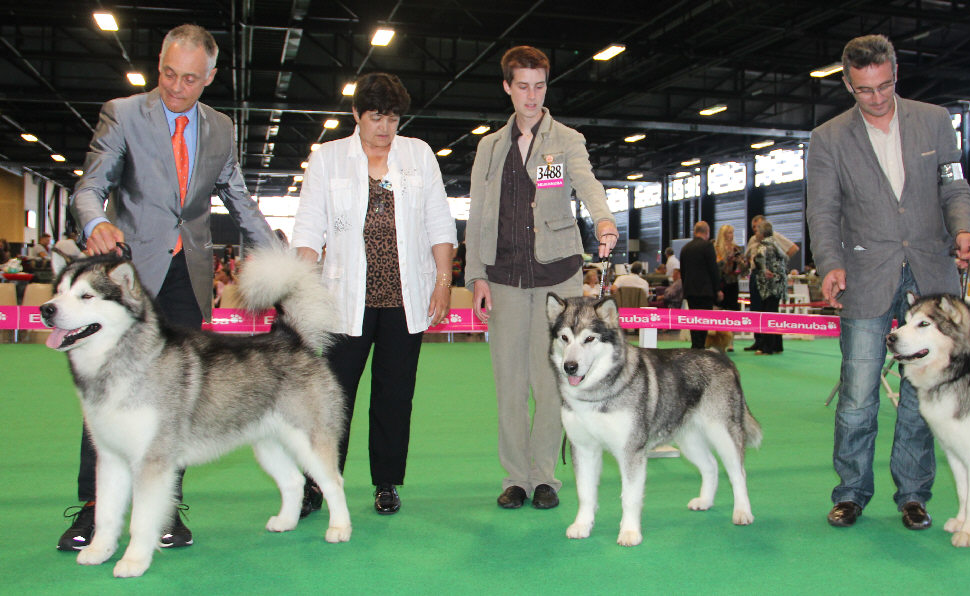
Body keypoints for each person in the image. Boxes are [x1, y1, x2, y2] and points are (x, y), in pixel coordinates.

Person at [66, 24, 276, 551]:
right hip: (128, 275)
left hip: (189, 277)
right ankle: (92, 510)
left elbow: (236, 195)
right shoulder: (124, 112)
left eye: (188, 79)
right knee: (107, 393)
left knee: (179, 398)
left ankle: (165, 509)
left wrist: (273, 249)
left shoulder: (221, 128)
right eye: (167, 73)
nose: (175, 87)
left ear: (209, 77)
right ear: (157, 63)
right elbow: (91, 185)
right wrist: (95, 226)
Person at [806, 34, 970, 531]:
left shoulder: (935, 120)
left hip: (931, 272)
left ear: (895, 73)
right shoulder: (828, 138)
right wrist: (830, 263)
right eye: (864, 90)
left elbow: (954, 183)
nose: (877, 98)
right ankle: (852, 493)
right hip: (864, 275)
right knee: (859, 395)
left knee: (922, 396)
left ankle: (913, 495)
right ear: (847, 83)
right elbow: (823, 210)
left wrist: (963, 227)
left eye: (884, 86)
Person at [292, 72, 456, 516]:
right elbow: (309, 227)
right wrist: (298, 286)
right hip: (343, 302)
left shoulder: (419, 155)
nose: (385, 127)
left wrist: (443, 282)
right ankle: (317, 483)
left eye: (393, 118)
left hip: (406, 298)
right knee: (332, 396)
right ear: (356, 115)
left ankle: (386, 482)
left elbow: (440, 222)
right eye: (375, 116)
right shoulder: (327, 159)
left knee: (394, 395)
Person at [465, 45, 618, 510]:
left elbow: (588, 183)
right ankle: (515, 477)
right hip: (505, 278)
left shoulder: (566, 140)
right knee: (509, 384)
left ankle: (546, 476)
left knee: (554, 381)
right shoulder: (490, 147)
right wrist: (476, 276)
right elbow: (476, 216)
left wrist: (604, 221)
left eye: (539, 86)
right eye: (523, 86)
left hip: (559, 277)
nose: (532, 97)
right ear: (508, 87)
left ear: (546, 87)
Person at [742, 214, 799, 351]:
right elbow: (749, 257)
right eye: (754, 228)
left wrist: (777, 267)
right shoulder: (753, 241)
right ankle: (759, 341)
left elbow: (793, 249)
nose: (756, 230)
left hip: (770, 279)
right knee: (757, 310)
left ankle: (771, 344)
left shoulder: (774, 238)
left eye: (759, 227)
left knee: (770, 311)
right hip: (756, 277)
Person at [680, 221, 722, 349]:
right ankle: (700, 348)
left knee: (694, 321)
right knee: (703, 321)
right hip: (705, 291)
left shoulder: (685, 248)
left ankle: (695, 346)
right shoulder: (707, 246)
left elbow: (683, 272)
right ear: (707, 232)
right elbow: (713, 269)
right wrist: (718, 289)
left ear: (695, 231)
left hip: (690, 291)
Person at [750, 219, 788, 355]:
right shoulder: (776, 244)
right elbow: (785, 258)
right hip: (778, 285)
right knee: (774, 315)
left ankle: (767, 347)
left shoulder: (763, 246)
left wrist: (764, 269)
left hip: (768, 287)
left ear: (762, 233)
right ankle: (778, 345)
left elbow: (758, 260)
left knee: (767, 316)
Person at [715, 224, 745, 311]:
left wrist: (740, 262)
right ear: (723, 234)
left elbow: (744, 270)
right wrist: (727, 259)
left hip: (734, 282)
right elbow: (717, 267)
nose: (732, 235)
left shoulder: (736, 249)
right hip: (722, 283)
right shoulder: (717, 249)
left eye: (732, 233)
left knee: (733, 307)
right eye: (729, 233)